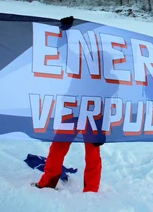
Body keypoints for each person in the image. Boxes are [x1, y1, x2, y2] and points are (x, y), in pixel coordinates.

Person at [33, 16, 109, 193]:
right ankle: (83, 188)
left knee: (81, 152)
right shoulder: (85, 66)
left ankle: (86, 189)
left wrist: (63, 31)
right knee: (64, 149)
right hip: (83, 114)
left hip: (89, 115)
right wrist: (64, 31)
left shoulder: (103, 75)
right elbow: (64, 52)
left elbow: (64, 52)